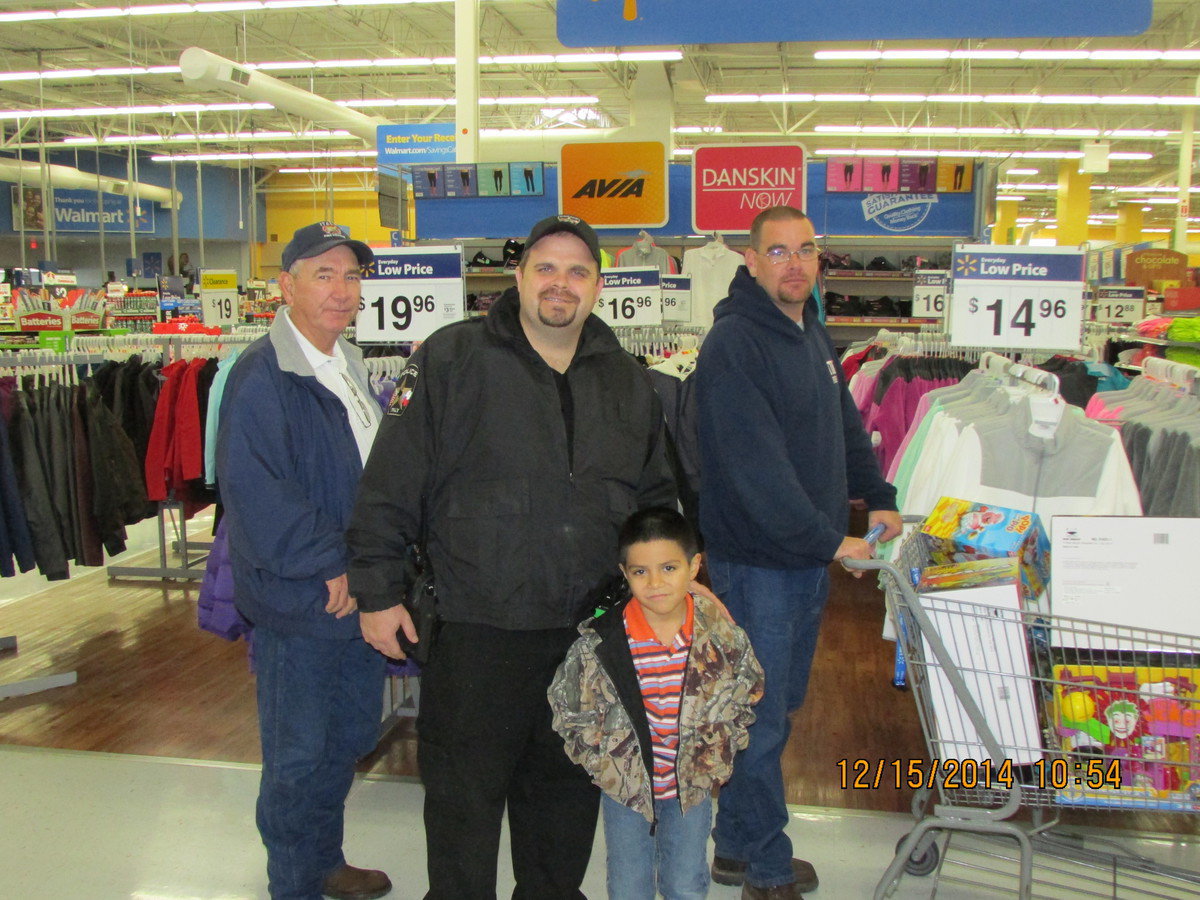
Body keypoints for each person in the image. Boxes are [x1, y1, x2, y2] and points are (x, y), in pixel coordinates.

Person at [347, 214, 678, 898]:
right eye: (547, 268)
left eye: (578, 271)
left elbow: (656, 502)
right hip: (476, 632)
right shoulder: (450, 359)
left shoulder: (626, 380)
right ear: (520, 278)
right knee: (463, 811)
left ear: (598, 286)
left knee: (561, 813)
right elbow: (390, 483)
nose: (562, 283)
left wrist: (665, 596)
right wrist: (377, 593)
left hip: (585, 640)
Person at [694, 205, 902, 899]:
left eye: (805, 250)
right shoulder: (734, 344)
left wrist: (878, 494)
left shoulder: (807, 329)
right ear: (750, 260)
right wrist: (831, 539)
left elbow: (844, 425)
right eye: (778, 251)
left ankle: (735, 847)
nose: (794, 264)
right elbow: (757, 473)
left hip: (800, 563)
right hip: (759, 565)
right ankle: (768, 864)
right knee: (759, 716)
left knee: (772, 709)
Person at [217, 222, 391, 900]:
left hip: (356, 599)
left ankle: (325, 859)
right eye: (323, 274)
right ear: (285, 285)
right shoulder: (262, 376)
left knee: (346, 737)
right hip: (304, 603)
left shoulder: (344, 361)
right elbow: (257, 495)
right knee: (296, 756)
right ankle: (292, 883)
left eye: (350, 276)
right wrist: (333, 564)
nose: (341, 290)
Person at [548, 507, 765, 900]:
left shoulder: (720, 635)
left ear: (694, 566)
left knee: (685, 883)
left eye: (668, 568)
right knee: (629, 886)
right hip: (625, 792)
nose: (655, 583)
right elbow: (569, 708)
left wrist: (718, 752)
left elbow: (747, 689)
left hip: (692, 790)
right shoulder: (601, 643)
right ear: (624, 572)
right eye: (640, 571)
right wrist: (604, 762)